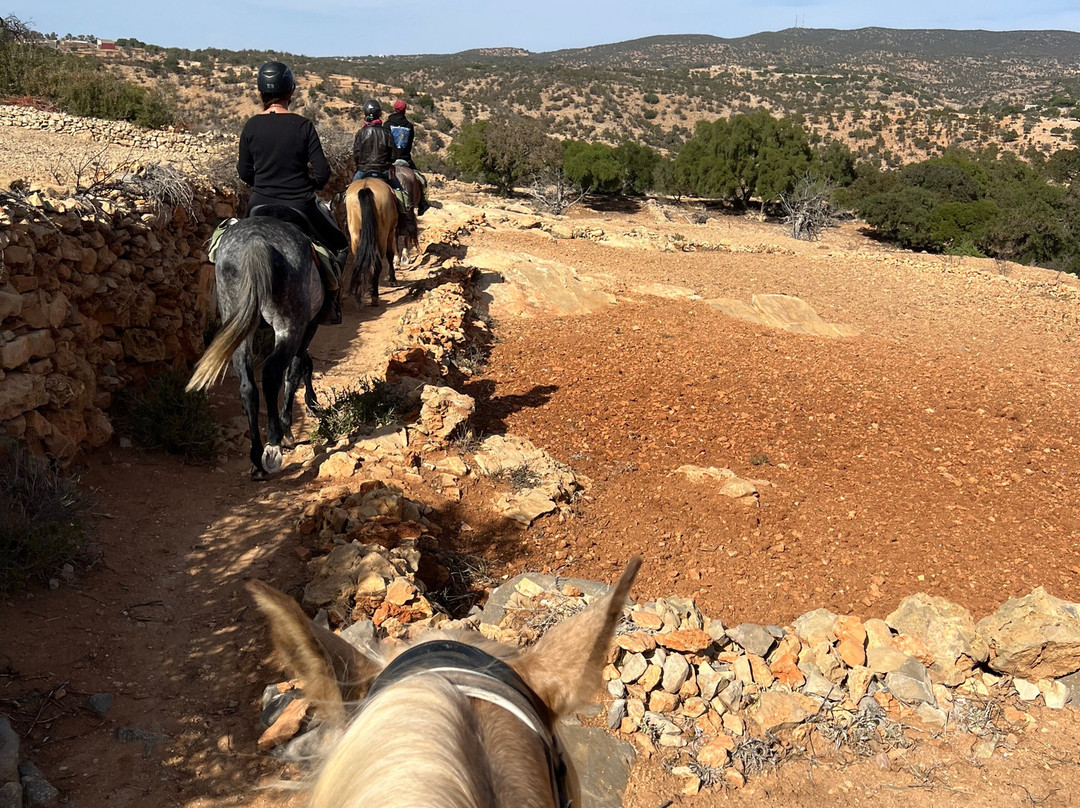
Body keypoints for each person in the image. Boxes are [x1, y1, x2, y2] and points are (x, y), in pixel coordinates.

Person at [237, 61, 348, 323]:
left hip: (258, 203)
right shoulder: (303, 125)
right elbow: (322, 175)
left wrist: (263, 182)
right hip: (300, 205)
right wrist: (304, 182)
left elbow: (244, 172)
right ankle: (329, 307)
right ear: (291, 91)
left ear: (260, 92)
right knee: (340, 245)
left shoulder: (251, 126)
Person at [384, 99, 429, 214]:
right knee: (420, 179)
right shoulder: (409, 126)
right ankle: (422, 203)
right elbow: (409, 144)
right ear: (404, 111)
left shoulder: (387, 125)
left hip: (390, 160)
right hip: (405, 159)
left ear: (394, 109)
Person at [352, 99, 397, 182]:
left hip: (363, 170)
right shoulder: (386, 133)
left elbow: (356, 155)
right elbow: (393, 156)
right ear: (379, 113)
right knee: (398, 189)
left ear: (365, 113)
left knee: (350, 188)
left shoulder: (360, 133)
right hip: (382, 170)